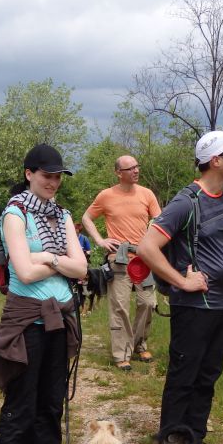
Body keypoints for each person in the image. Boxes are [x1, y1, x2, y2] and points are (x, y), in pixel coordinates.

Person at [137, 131, 223, 444]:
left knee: (207, 376)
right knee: (183, 377)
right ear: (216, 160)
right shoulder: (186, 201)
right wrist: (181, 283)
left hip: (222, 306)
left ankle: (195, 439)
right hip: (192, 309)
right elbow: (147, 248)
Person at [0, 144, 87, 444]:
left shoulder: (63, 215)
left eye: (58, 176)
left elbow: (82, 269)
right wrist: (61, 263)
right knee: (20, 405)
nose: (54, 182)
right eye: (47, 175)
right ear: (29, 174)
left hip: (59, 318)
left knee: (50, 401)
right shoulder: (15, 214)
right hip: (27, 319)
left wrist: (47, 257)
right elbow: (23, 274)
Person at [82, 155, 161, 371]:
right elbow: (87, 218)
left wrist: (154, 244)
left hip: (144, 258)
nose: (136, 170)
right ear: (119, 173)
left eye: (137, 166)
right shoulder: (106, 196)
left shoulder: (147, 194)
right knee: (120, 308)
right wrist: (99, 240)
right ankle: (120, 354)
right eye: (130, 168)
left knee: (147, 303)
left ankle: (139, 344)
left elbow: (159, 221)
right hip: (118, 258)